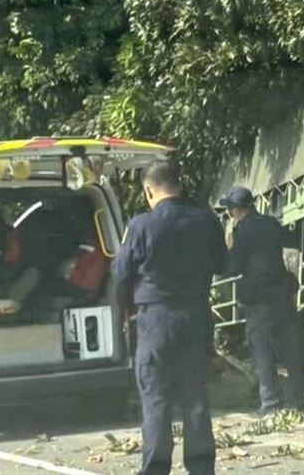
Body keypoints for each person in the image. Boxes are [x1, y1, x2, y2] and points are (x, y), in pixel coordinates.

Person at [113, 160, 226, 475]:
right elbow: (222, 264)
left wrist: (125, 312)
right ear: (179, 184)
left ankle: (155, 470)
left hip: (156, 321)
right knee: (195, 398)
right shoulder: (206, 221)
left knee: (157, 399)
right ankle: (202, 469)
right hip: (195, 315)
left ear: (148, 190)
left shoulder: (140, 226)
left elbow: (121, 276)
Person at [220, 186, 304, 414]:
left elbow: (234, 266)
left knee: (261, 350)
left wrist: (228, 252)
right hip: (282, 293)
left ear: (236, 210)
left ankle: (270, 404)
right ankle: (299, 399)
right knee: (289, 347)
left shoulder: (242, 231)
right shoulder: (271, 223)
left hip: (259, 298)